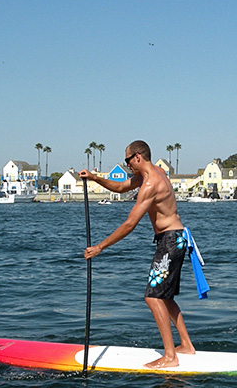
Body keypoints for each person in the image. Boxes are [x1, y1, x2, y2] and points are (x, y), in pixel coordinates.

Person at [80, 140, 195, 369]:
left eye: (127, 160)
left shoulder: (151, 183)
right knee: (165, 296)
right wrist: (95, 178)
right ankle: (186, 345)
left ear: (138, 157)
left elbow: (130, 223)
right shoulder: (155, 172)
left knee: (152, 296)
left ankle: (170, 356)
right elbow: (122, 187)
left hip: (171, 241)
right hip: (176, 239)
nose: (127, 165)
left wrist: (100, 247)